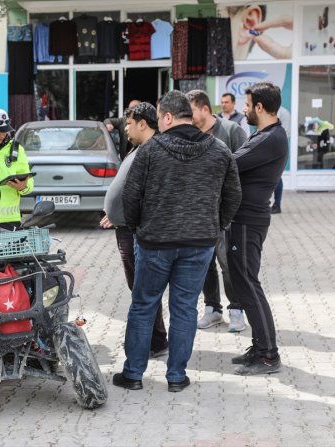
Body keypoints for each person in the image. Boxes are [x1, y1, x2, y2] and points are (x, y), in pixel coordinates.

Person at [115, 91, 241, 392]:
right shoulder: (219, 149)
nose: (158, 122)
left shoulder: (150, 151)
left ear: (168, 117)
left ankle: (133, 375)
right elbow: (234, 195)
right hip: (199, 244)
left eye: (159, 117)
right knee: (184, 308)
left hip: (154, 243)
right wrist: (216, 226)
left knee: (144, 305)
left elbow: (129, 196)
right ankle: (176, 377)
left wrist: (137, 227)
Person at [228, 82, 288, 375]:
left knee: (249, 284)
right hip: (245, 219)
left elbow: (230, 164)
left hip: (247, 221)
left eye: (248, 105)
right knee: (243, 284)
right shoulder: (265, 135)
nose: (244, 109)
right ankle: (259, 346)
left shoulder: (270, 139)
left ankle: (268, 355)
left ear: (260, 107)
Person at [99, 102, 168, 358]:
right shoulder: (138, 147)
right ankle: (156, 339)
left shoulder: (152, 151)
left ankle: (155, 342)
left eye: (129, 123)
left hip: (136, 231)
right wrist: (114, 213)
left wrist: (124, 216)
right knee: (139, 287)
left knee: (143, 289)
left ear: (142, 123)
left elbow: (149, 196)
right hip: (124, 226)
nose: (125, 128)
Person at [187, 89, 248, 333]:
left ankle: (237, 309)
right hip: (199, 212)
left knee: (228, 262)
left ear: (203, 108)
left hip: (226, 211)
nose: (187, 117)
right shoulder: (190, 135)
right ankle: (212, 309)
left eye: (190, 111)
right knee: (204, 263)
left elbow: (245, 168)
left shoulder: (231, 131)